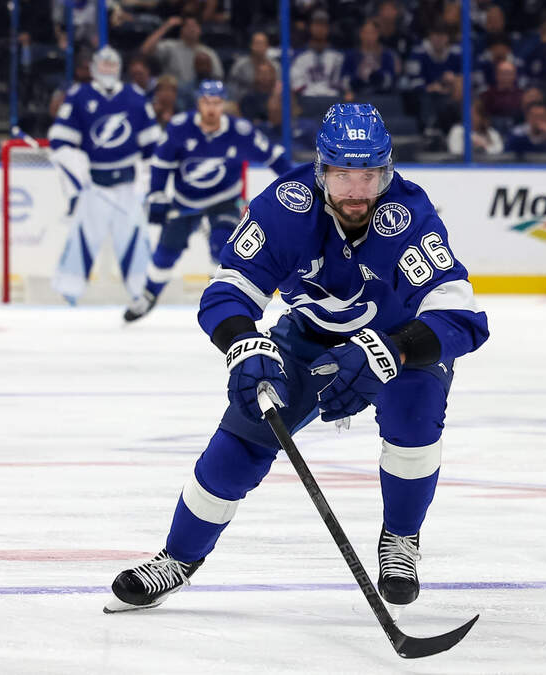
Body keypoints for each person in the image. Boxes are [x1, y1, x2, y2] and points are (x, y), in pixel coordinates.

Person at [104, 103, 489, 613]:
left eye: (370, 175)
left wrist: (394, 350)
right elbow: (229, 290)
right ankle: (177, 557)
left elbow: (460, 315)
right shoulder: (285, 207)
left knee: (415, 415)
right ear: (320, 170)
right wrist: (243, 342)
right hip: (309, 336)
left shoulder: (409, 216)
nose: (357, 191)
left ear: (387, 171)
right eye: (343, 175)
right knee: (241, 439)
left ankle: (400, 538)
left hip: (397, 341)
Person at [123, 80, 294, 322]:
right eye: (206, 102)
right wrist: (157, 195)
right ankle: (148, 295)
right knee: (166, 251)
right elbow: (161, 164)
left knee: (223, 246)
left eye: (216, 102)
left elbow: (274, 157)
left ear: (223, 104)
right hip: (186, 201)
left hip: (224, 201)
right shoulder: (180, 128)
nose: (211, 108)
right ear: (198, 103)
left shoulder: (240, 131)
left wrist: (296, 184)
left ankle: (225, 298)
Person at [47, 46, 161, 304]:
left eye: (112, 65)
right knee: (83, 238)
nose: (108, 70)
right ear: (94, 68)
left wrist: (147, 181)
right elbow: (59, 141)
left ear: (119, 69)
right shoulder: (79, 96)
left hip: (128, 185)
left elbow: (153, 146)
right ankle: (69, 290)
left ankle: (141, 293)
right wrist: (76, 166)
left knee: (134, 240)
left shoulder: (135, 97)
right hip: (94, 184)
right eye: (103, 65)